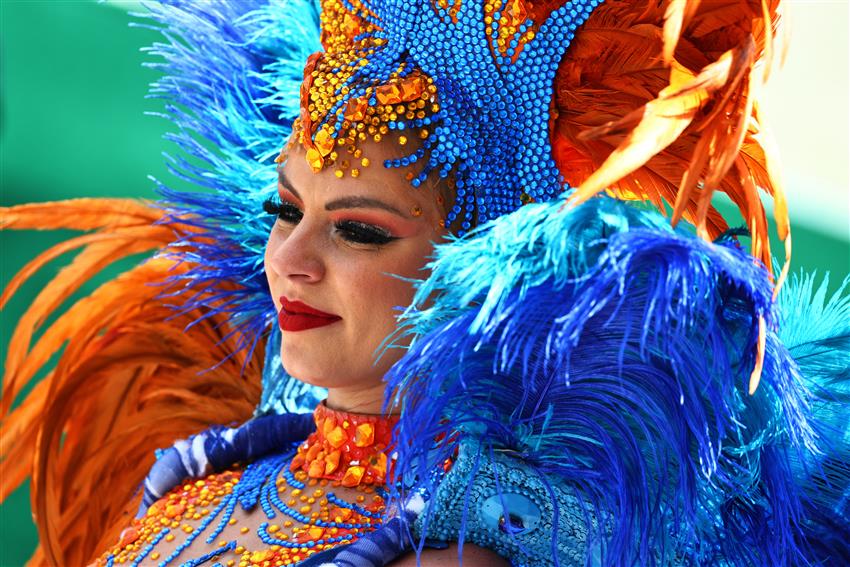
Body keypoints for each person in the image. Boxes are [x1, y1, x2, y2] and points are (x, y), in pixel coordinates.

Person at [1, 0, 848, 565]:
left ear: (471, 265)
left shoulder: (462, 547)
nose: (290, 259)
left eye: (358, 229)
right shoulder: (200, 482)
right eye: (285, 209)